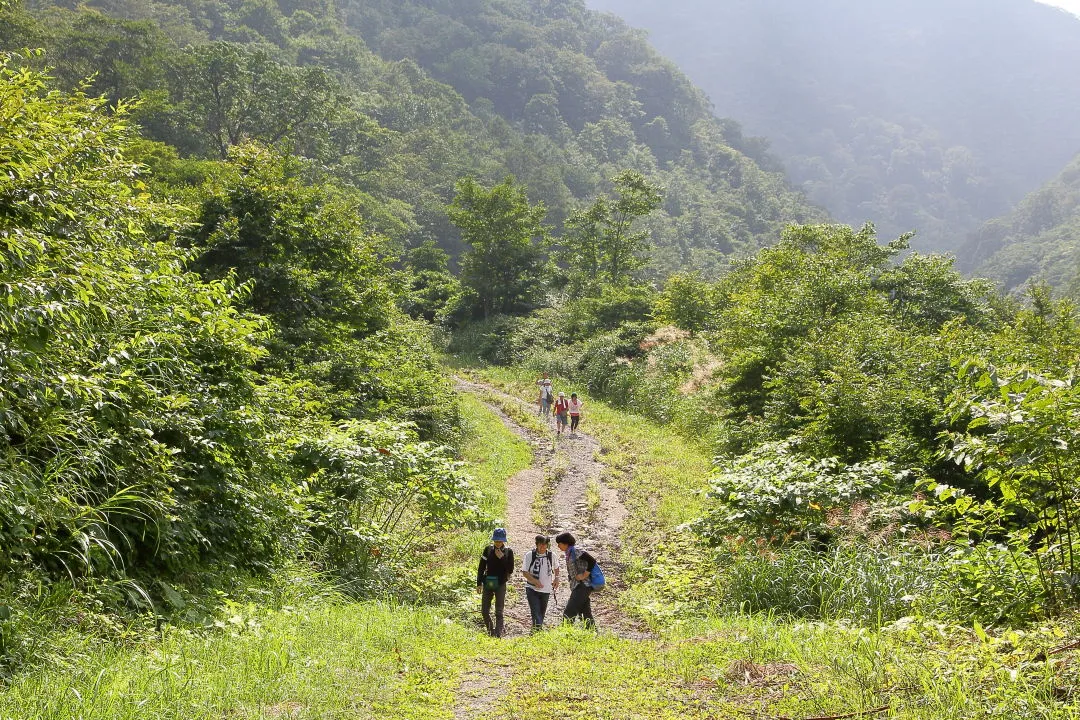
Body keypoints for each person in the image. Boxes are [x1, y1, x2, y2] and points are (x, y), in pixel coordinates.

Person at [476, 528, 515, 637]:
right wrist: (479, 583)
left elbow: (510, 569)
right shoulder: (488, 550)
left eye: (500, 541)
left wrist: (502, 558)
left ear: (503, 541)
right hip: (488, 583)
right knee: (484, 611)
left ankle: (498, 634)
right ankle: (490, 631)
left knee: (499, 611)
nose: (498, 543)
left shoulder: (508, 552)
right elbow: (481, 567)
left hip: (501, 583)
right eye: (496, 541)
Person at [555, 531, 596, 629]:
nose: (558, 546)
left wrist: (584, 575)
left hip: (582, 586)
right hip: (579, 586)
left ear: (565, 543)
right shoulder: (569, 552)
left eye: (559, 544)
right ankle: (592, 632)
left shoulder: (575, 550)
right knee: (585, 612)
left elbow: (592, 561)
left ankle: (566, 633)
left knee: (569, 612)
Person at [521, 534, 560, 632]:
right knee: (535, 612)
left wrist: (557, 578)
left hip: (546, 589)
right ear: (536, 544)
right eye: (540, 545)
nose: (543, 547)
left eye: (545, 545)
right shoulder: (530, 555)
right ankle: (538, 632)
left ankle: (535, 633)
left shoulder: (551, 555)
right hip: (531, 588)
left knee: (541, 613)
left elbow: (556, 567)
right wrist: (534, 581)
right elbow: (525, 572)